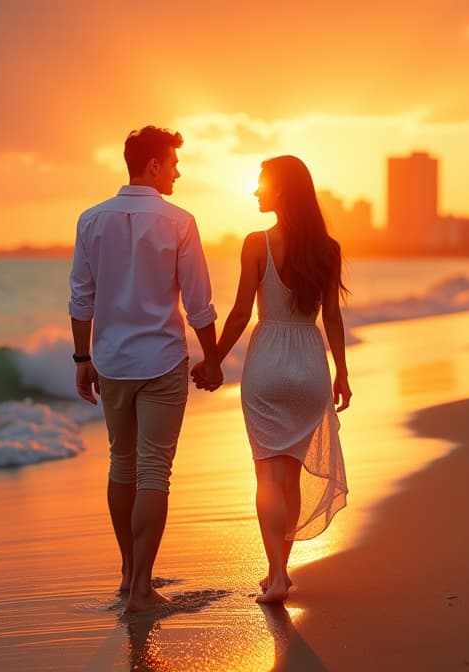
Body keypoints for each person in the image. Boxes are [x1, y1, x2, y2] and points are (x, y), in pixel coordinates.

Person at [69, 125, 223, 613]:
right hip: (161, 361)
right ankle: (141, 588)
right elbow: (199, 303)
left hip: (112, 362)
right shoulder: (180, 221)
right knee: (155, 469)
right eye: (173, 163)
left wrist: (82, 358)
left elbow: (81, 296)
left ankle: (128, 573)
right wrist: (213, 359)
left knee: (122, 462)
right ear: (152, 165)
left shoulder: (90, 220)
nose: (178, 172)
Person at [196, 155, 350, 604]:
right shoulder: (328, 248)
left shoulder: (256, 243)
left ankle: (278, 574)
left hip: (267, 366)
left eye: (261, 183)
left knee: (267, 474)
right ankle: (278, 572)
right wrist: (342, 371)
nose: (255, 191)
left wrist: (212, 362)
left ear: (281, 190)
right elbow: (334, 317)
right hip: (310, 364)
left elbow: (242, 313)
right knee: (290, 477)